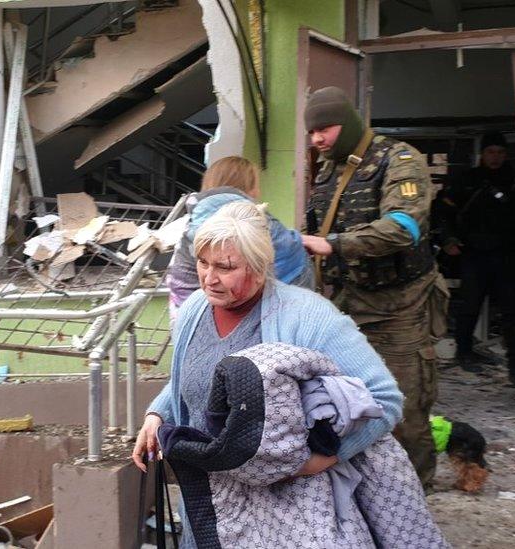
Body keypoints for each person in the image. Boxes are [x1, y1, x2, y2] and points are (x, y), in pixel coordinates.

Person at [133, 202, 408, 546]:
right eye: (203, 262)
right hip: (210, 504)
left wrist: (322, 460)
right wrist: (159, 413)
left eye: (226, 266)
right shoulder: (194, 310)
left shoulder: (308, 316)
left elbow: (384, 398)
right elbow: (192, 377)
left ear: (260, 267)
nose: (209, 278)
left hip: (286, 510)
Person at [299, 86, 448, 485]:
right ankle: (372, 489)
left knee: (405, 407)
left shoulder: (399, 159)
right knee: (349, 403)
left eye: (324, 129)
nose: (316, 139)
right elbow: (317, 229)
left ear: (347, 123)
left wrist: (332, 244)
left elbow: (404, 228)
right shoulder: (330, 168)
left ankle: (417, 492)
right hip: (350, 304)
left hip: (402, 306)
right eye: (311, 132)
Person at [437, 132, 515, 388]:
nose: (495, 157)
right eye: (491, 152)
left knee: (513, 313)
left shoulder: (514, 181)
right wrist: (449, 240)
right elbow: (443, 212)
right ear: (482, 155)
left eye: (500, 152)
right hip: (474, 253)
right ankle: (464, 352)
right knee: (469, 308)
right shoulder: (467, 180)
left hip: (507, 253)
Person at [165, 156, 314, 317]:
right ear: (250, 189)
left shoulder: (191, 225)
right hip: (259, 316)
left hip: (186, 313)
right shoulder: (256, 222)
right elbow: (289, 253)